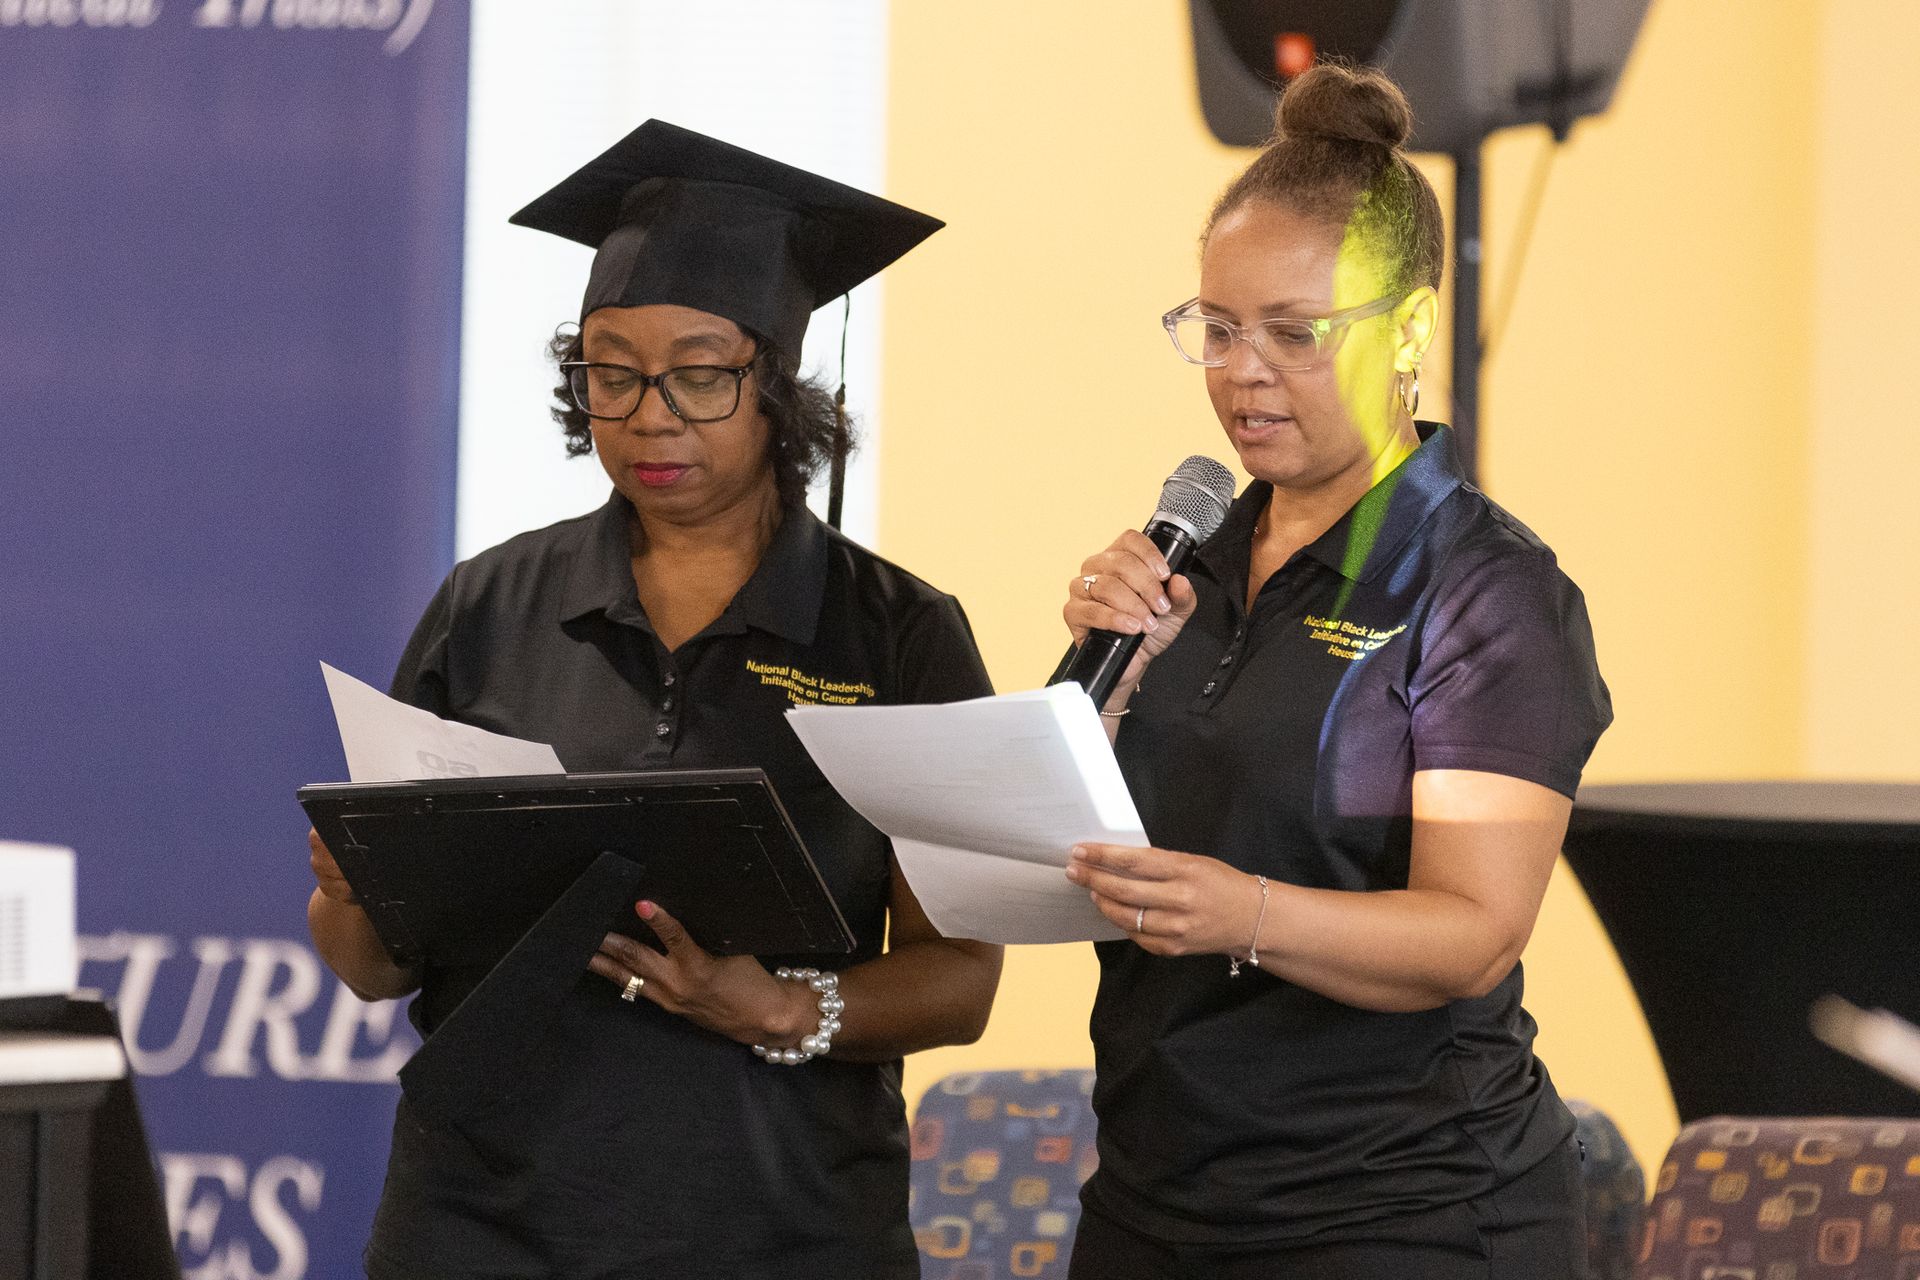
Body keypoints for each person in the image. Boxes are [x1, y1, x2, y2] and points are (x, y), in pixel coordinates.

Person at [306, 120, 1003, 1280]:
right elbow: (371, 964)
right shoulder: (490, 603)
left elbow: (961, 975)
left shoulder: (897, 633)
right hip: (483, 1220)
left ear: (778, 385)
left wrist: (782, 1007)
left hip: (784, 1226)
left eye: (698, 374)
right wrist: (353, 892)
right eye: (610, 372)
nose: (648, 415)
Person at [1057, 64, 1612, 1279]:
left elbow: (1471, 933)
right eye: (1216, 328)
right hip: (1157, 1200)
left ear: (1410, 328)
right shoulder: (1181, 556)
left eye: (1295, 335)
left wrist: (1240, 913)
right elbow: (1066, 850)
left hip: (1402, 1212)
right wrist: (1103, 693)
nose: (1241, 372)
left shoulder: (1484, 590)